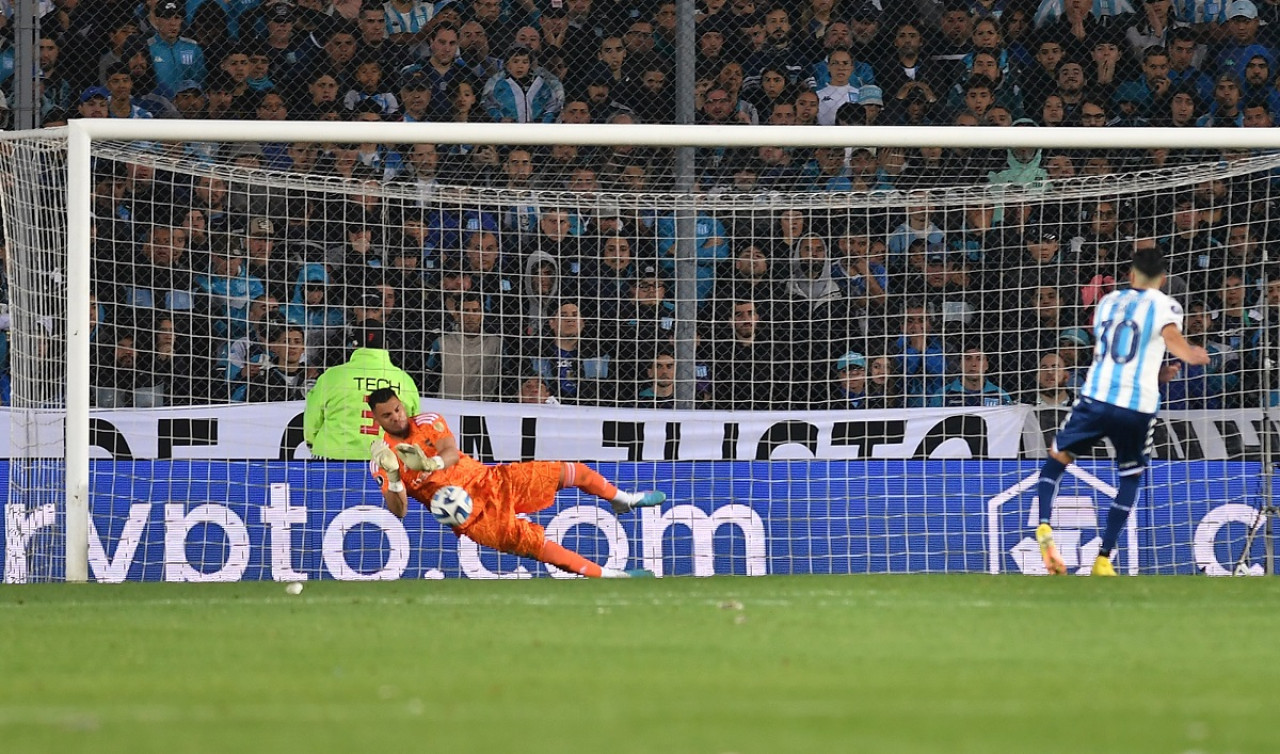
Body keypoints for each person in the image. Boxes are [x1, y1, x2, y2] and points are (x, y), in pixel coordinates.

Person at [1034, 248, 1210, 577]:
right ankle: (1103, 558)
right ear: (1162, 278)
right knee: (1130, 477)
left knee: (1057, 458)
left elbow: (1119, 357)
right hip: (1136, 406)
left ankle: (1044, 525)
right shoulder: (1165, 304)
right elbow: (1171, 338)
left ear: (1130, 275)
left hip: (1097, 397)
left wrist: (1156, 373)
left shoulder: (1107, 303)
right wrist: (1190, 354)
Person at [366, 387, 663, 578]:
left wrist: (432, 464)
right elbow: (400, 511)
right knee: (539, 545)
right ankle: (613, 576)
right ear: (377, 420)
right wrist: (394, 478)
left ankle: (622, 498)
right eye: (387, 416)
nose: (396, 417)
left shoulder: (427, 420)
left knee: (571, 470)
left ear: (402, 405)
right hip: (475, 518)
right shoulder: (383, 459)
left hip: (492, 479)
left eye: (397, 409)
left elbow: (451, 452)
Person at [304, 322, 421, 460]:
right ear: (386, 345)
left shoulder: (332, 376)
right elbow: (413, 426)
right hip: (387, 461)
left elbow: (312, 418)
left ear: (354, 345)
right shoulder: (404, 380)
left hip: (333, 456)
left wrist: (312, 442)